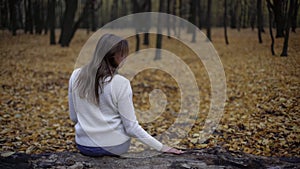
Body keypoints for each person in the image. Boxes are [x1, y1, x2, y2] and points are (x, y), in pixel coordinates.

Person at [68, 34, 183, 157]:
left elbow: (74, 117)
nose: (125, 58)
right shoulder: (121, 83)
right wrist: (162, 147)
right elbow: (131, 128)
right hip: (113, 146)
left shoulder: (76, 76)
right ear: (112, 55)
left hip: (84, 146)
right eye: (122, 54)